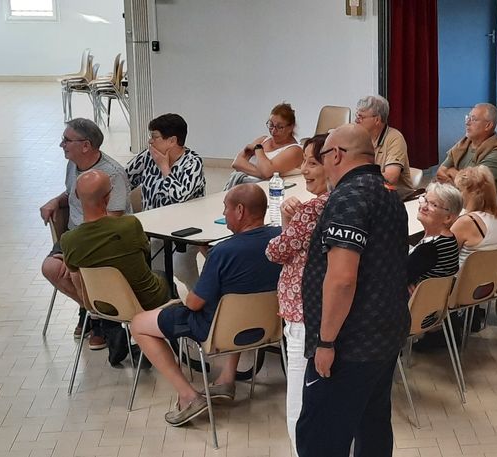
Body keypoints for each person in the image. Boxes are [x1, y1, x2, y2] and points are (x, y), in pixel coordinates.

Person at [296, 124, 409, 457]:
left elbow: (343, 278)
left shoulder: (348, 197)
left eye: (322, 158)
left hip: (350, 344)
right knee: (372, 425)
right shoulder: (389, 192)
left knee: (320, 436)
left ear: (336, 155)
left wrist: (326, 341)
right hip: (385, 334)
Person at [130, 184, 282, 426]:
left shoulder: (223, 252)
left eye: (226, 209)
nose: (224, 214)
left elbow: (193, 304)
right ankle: (226, 379)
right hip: (268, 325)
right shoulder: (281, 239)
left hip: (216, 331)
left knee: (138, 324)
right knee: (238, 296)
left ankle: (188, 396)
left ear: (240, 210)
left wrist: (212, 263)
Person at [61, 170, 171, 364]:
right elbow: (145, 254)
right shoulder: (130, 225)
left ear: (76, 195)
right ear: (108, 197)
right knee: (163, 275)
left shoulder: (69, 240)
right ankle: (154, 340)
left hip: (102, 305)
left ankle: (115, 333)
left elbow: (77, 279)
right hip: (145, 298)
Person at [40, 118, 131, 349]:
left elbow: (113, 220)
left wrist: (78, 249)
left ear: (86, 145)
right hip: (75, 235)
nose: (61, 145)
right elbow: (72, 193)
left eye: (66, 140)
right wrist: (56, 201)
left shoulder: (112, 174)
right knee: (50, 268)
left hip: (105, 239)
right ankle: (100, 315)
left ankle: (95, 318)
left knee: (78, 273)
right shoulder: (73, 164)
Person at [264, 134, 329, 455]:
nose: (304, 169)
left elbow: (276, 251)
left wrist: (289, 221)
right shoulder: (351, 202)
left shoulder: (313, 209)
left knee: (298, 403)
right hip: (333, 314)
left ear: (333, 163)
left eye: (312, 163)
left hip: (303, 315)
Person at [126, 113, 206, 290]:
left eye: (154, 137)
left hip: (186, 230)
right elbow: (124, 179)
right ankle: (169, 296)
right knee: (156, 271)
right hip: (154, 228)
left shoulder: (192, 163)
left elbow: (180, 196)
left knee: (181, 268)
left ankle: (202, 298)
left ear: (172, 141)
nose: (150, 141)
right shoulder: (147, 156)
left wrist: (164, 167)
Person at [224, 102, 304, 189]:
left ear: (291, 127)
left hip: (265, 190)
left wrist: (258, 149)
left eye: (279, 127)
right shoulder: (263, 139)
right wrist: (264, 174)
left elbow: (266, 171)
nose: (273, 131)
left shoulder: (295, 150)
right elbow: (236, 163)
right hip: (243, 183)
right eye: (271, 125)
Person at [436, 103, 497, 194]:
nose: (467, 123)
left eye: (473, 119)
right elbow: (440, 172)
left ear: (488, 125)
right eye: (468, 118)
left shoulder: (495, 155)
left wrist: (451, 171)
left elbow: (472, 186)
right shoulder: (462, 145)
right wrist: (460, 180)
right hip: (453, 199)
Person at [354, 95, 414, 198]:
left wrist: (358, 181)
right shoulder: (359, 137)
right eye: (357, 116)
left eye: (361, 117)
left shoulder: (395, 138)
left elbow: (391, 178)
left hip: (395, 199)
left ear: (377, 120)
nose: (356, 120)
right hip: (369, 194)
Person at [407, 182, 462, 291]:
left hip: (419, 300)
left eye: (433, 205)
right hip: (433, 298)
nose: (423, 207)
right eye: (425, 200)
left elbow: (397, 277)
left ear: (448, 218)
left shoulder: (429, 249)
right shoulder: (449, 239)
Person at [451, 165, 497, 266]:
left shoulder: (467, 222)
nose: (459, 194)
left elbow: (444, 254)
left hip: (463, 276)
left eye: (460, 190)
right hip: (492, 275)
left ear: (472, 193)